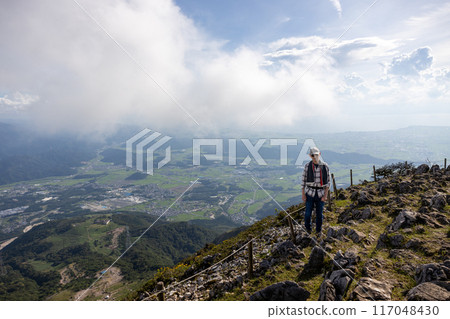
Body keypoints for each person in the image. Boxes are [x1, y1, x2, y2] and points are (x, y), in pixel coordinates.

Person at [301, 146, 331, 237]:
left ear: (320, 154)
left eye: (316, 155)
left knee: (319, 214)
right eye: (313, 155)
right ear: (310, 156)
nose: (315, 157)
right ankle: (308, 229)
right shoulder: (307, 166)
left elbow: (328, 183)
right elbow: (303, 181)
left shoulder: (325, 166)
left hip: (320, 194)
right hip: (309, 193)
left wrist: (325, 196)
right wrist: (303, 194)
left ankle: (318, 231)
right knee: (307, 214)